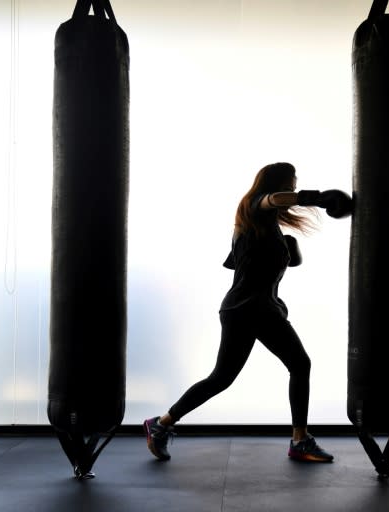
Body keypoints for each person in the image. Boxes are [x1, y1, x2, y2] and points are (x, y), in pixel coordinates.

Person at [143, 162, 353, 463]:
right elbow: (274, 200)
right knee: (299, 364)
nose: (293, 189)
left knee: (222, 378)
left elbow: (240, 264)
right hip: (252, 309)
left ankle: (160, 424)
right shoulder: (255, 205)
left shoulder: (259, 227)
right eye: (291, 183)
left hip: (247, 309)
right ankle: (300, 441)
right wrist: (317, 197)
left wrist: (284, 250)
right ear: (278, 183)